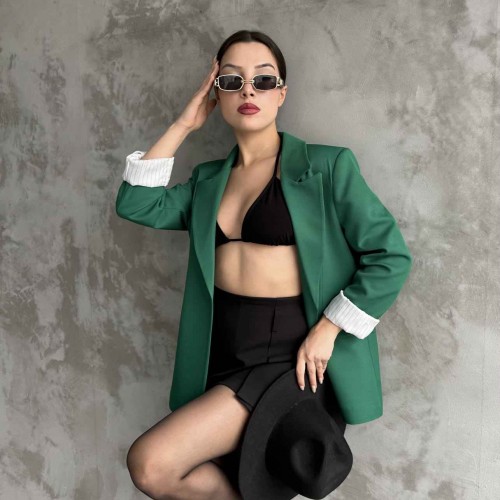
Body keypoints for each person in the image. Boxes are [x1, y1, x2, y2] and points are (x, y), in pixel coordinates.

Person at [116, 30, 412, 500]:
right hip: (224, 352)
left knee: (151, 463)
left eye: (264, 79)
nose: (248, 91)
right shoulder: (208, 180)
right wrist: (185, 124)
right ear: (216, 94)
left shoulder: (326, 167)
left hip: (290, 356)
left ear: (282, 93)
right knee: (227, 483)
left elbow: (390, 256)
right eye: (232, 81)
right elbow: (137, 204)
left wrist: (329, 328)